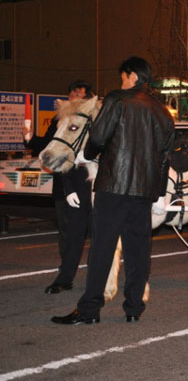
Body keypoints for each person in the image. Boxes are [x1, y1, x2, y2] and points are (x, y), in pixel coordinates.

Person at [52, 57, 174, 325]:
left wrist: (88, 154)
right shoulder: (162, 110)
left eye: (122, 77)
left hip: (113, 185)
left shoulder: (117, 100)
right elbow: (165, 157)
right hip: (144, 190)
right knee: (138, 250)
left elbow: (98, 137)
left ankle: (89, 310)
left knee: (102, 249)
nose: (121, 82)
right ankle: (133, 308)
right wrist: (160, 194)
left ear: (132, 76)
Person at [24, 80, 93, 295]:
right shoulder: (62, 120)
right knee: (70, 233)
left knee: (101, 233)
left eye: (80, 94)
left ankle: (98, 277)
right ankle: (65, 276)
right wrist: (29, 139)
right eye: (72, 92)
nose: (75, 97)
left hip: (95, 182)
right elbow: (50, 147)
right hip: (69, 181)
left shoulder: (94, 119)